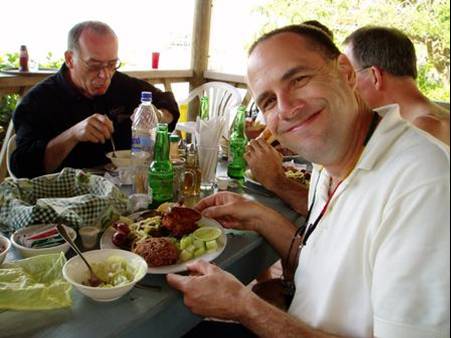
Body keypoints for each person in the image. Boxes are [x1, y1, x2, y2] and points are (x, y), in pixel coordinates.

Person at [167, 24, 450, 337]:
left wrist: (244, 306)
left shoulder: (425, 181)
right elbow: (325, 262)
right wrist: (258, 215)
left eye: (298, 80)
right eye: (269, 102)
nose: (287, 109)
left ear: (345, 71)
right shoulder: (329, 161)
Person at [11, 21, 180, 178]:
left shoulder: (121, 84)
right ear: (70, 59)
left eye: (112, 64)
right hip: (61, 198)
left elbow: (167, 102)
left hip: (122, 189)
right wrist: (73, 134)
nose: (104, 75)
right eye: (94, 66)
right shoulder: (36, 102)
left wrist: (157, 115)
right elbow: (24, 168)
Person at [343, 25, 450, 145]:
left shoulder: (424, 130)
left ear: (375, 76)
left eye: (350, 75)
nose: (346, 85)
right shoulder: (422, 122)